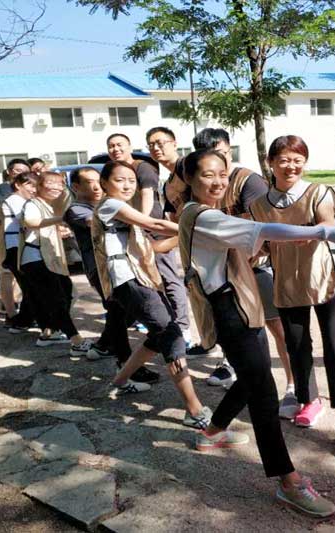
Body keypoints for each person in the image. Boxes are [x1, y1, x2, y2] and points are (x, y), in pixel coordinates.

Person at [179, 149, 335, 516]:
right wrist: (321, 230)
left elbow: (251, 244)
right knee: (264, 395)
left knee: (254, 378)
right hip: (230, 312)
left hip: (239, 306)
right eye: (207, 174)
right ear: (189, 179)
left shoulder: (208, 214)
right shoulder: (204, 216)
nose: (218, 181)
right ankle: (288, 481)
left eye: (223, 174)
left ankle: (212, 432)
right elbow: (263, 230)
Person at [250, 135, 335, 467]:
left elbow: (326, 223)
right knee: (297, 345)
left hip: (327, 278)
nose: (291, 166)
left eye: (297, 159)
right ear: (270, 163)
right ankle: (308, 399)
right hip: (288, 281)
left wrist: (312, 232)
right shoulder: (258, 205)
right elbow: (260, 244)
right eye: (284, 159)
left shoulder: (319, 193)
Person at [191, 127, 303, 418]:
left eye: (223, 155)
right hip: (230, 278)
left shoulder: (246, 180)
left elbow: (263, 223)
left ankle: (293, 386)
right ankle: (233, 376)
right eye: (210, 161)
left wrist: (315, 232)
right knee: (246, 342)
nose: (219, 169)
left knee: (277, 330)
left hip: (256, 270)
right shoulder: (196, 194)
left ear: (230, 152)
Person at [93, 160, 211, 429]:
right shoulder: (110, 205)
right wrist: (199, 228)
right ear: (104, 184)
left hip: (137, 279)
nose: (127, 185)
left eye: (131, 181)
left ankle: (120, 381)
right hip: (128, 280)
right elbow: (155, 223)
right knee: (171, 334)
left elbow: (154, 246)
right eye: (120, 180)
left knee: (159, 336)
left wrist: (188, 236)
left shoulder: (123, 214)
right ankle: (194, 411)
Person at [63, 165, 160, 384]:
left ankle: (105, 346)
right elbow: (95, 221)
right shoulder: (77, 210)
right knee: (119, 311)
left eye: (97, 181)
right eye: (89, 182)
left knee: (121, 313)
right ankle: (124, 362)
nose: (96, 186)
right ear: (75, 187)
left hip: (120, 268)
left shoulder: (108, 205)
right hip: (101, 270)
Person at [138, 128, 202, 354]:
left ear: (174, 143)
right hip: (193, 248)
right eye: (151, 145)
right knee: (201, 300)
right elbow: (174, 222)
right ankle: (206, 342)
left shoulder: (190, 167)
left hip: (210, 242)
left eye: (160, 142)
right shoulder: (167, 184)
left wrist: (167, 242)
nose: (156, 148)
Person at [20, 171, 92, 356]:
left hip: (46, 259)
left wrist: (59, 229)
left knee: (66, 294)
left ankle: (49, 333)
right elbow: (31, 222)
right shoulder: (32, 204)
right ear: (39, 186)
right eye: (51, 183)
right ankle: (76, 341)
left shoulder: (47, 206)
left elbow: (42, 229)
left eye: (60, 183)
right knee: (57, 300)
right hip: (37, 259)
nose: (56, 187)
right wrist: (60, 219)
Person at [0, 171, 39, 332]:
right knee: (31, 286)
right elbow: (27, 220)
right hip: (16, 249)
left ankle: (23, 321)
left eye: (36, 186)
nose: (34, 189)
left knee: (30, 287)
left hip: (20, 248)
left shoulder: (22, 200)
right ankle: (22, 321)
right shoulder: (15, 200)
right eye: (30, 185)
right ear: (17, 185)